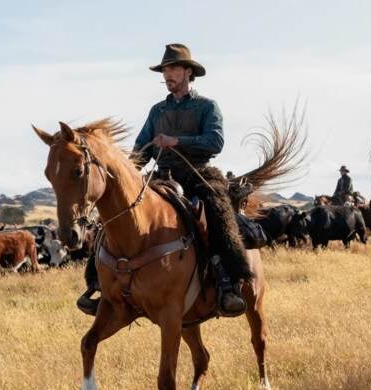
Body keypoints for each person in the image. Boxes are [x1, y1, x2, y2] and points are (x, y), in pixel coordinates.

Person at [77, 43, 249, 317]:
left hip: (198, 173)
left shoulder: (207, 106)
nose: (168, 74)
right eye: (165, 70)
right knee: (115, 214)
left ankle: (229, 283)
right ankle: (99, 284)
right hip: (162, 176)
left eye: (173, 69)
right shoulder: (157, 111)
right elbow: (140, 149)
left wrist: (175, 141)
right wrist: (129, 172)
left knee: (218, 211)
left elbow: (215, 142)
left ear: (188, 72)